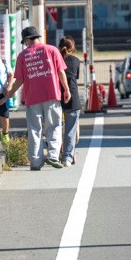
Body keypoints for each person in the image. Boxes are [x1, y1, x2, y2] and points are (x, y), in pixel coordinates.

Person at [5, 27, 71, 170]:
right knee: (54, 126)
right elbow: (61, 72)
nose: (25, 44)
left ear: (28, 39)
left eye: (25, 42)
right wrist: (66, 89)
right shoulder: (52, 50)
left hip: (32, 97)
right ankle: (53, 156)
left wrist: (10, 93)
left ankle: (35, 162)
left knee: (35, 129)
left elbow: (20, 80)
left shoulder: (23, 56)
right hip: (52, 94)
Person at [58, 37, 82, 166]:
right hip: (72, 98)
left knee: (55, 128)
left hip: (56, 97)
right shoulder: (76, 61)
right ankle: (67, 157)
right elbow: (75, 76)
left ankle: (55, 154)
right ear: (72, 49)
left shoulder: (54, 60)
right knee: (70, 130)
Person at [0, 45, 14, 141]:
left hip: (2, 93)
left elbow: (11, 74)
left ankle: (5, 134)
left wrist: (9, 87)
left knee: (4, 116)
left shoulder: (3, 63)